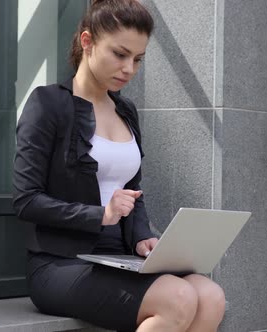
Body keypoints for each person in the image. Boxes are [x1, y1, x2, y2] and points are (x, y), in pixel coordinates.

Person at [12, 1, 226, 331]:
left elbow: (132, 194)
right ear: (87, 41)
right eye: (120, 54)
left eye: (138, 59)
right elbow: (26, 200)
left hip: (121, 258)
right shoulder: (47, 104)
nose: (129, 68)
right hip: (61, 264)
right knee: (178, 298)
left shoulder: (126, 111)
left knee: (211, 296)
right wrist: (101, 215)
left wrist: (142, 238)